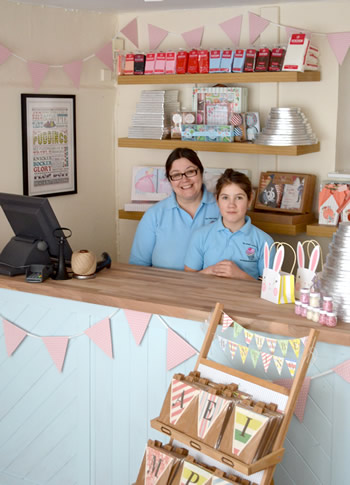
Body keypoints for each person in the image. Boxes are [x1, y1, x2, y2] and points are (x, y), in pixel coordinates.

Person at [129, 148, 220, 270]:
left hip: (213, 286)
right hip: (162, 286)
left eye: (191, 171)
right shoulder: (154, 215)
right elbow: (137, 266)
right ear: (169, 180)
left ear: (201, 172)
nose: (184, 179)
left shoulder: (223, 208)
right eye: (176, 175)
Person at [184, 169, 274, 280]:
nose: (231, 205)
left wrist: (240, 275)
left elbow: (270, 288)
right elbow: (188, 280)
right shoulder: (200, 236)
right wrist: (210, 271)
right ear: (217, 200)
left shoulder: (264, 242)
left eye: (239, 198)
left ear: (250, 200)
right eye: (225, 197)